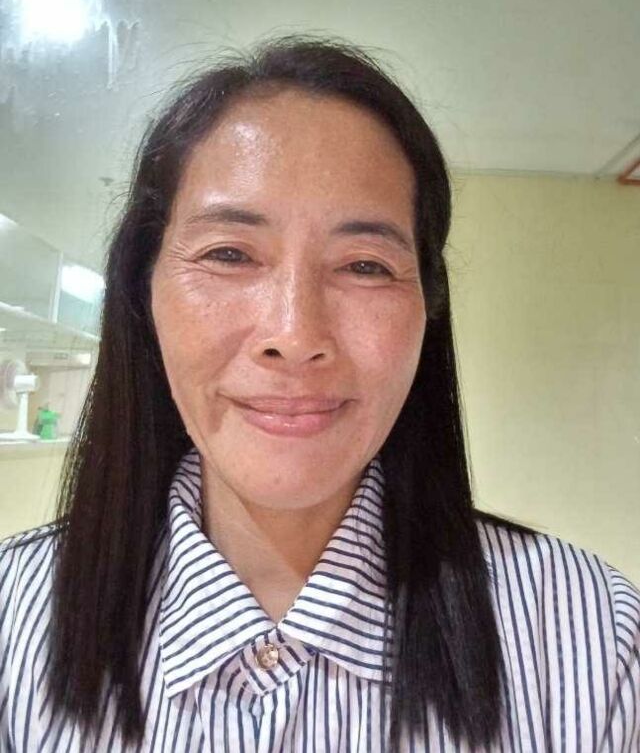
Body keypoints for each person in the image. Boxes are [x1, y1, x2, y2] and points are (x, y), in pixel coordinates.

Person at [0, 37, 638, 753]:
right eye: (229, 254)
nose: (296, 334)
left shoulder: (595, 637)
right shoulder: (12, 619)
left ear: (427, 308)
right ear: (143, 293)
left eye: (365, 265)